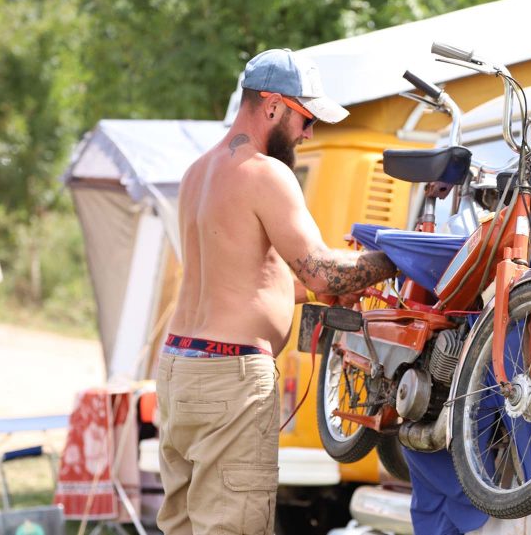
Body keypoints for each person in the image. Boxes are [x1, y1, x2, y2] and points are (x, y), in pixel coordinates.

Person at [157, 48, 397, 535]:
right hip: (231, 375)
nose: (308, 134)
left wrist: (312, 295)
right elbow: (323, 272)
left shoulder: (197, 173)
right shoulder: (266, 174)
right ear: (271, 106)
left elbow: (244, 280)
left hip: (179, 366)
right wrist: (398, 258)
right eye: (305, 118)